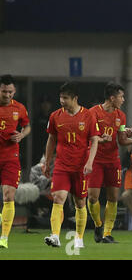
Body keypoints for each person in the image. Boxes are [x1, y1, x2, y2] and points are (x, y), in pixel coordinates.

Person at [43, 81, 100, 248]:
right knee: (58, 198)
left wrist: (90, 162)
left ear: (75, 98)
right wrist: (47, 162)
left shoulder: (88, 116)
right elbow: (51, 139)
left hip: (81, 166)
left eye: (65, 98)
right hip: (61, 165)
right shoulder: (55, 116)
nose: (62, 101)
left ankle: (79, 238)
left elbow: (94, 140)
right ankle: (55, 236)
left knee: (80, 203)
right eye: (60, 98)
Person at [86, 82, 132, 244]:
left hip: (112, 160)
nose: (123, 100)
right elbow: (90, 137)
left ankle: (107, 233)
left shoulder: (120, 116)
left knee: (113, 197)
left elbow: (122, 140)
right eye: (121, 96)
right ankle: (97, 225)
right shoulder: (93, 113)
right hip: (95, 160)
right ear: (112, 98)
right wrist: (102, 140)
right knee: (92, 197)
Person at [0, 74, 31, 249]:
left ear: (15, 91)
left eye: (10, 92)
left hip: (10, 158)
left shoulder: (19, 108)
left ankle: (4, 237)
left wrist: (21, 135)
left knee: (8, 195)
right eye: (4, 92)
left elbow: (27, 126)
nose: (7, 95)